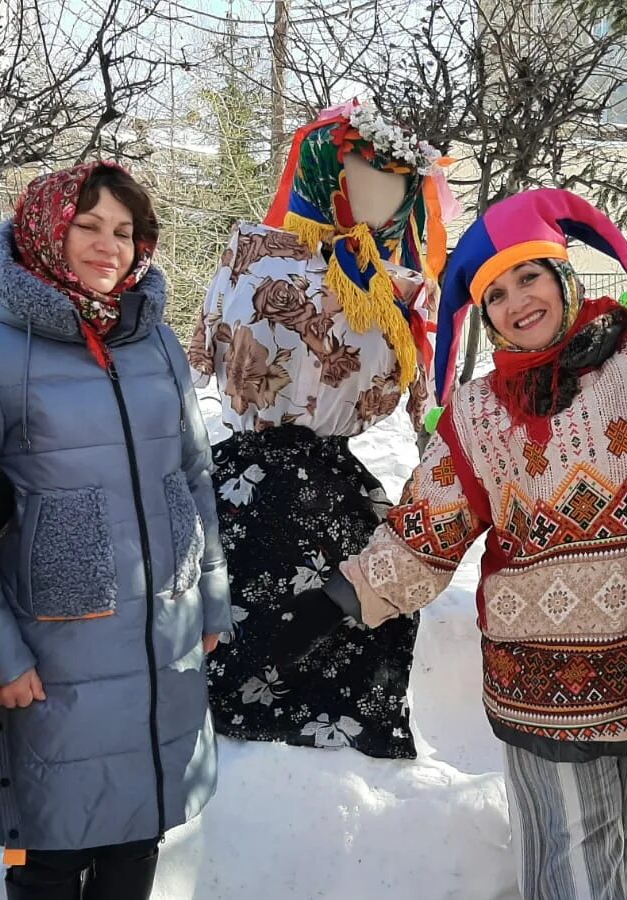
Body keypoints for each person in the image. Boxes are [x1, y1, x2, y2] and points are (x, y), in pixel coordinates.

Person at [290, 189, 627, 899]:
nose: (516, 301)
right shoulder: (476, 412)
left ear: (565, 276)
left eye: (529, 275)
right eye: (495, 293)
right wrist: (329, 606)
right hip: (542, 689)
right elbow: (425, 534)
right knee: (571, 872)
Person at [0, 161, 229, 900]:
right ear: (44, 229)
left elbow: (192, 473)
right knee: (55, 853)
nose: (109, 246)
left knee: (138, 837)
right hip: (53, 655)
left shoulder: (152, 340)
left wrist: (211, 598)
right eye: (87, 225)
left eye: (124, 231)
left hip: (162, 634)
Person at [189, 99, 451, 760]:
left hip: (335, 481)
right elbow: (204, 354)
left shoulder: (396, 292)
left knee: (352, 610)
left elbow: (415, 398)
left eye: (397, 186)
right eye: (365, 174)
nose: (381, 197)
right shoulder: (252, 257)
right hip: (243, 476)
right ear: (327, 174)